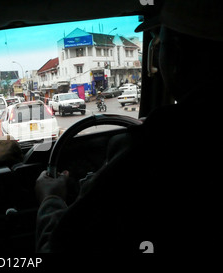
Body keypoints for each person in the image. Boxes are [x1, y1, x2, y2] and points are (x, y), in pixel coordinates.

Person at [35, 0, 223, 254]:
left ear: (174, 55)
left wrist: (51, 198)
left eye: (158, 45)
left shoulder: (153, 150)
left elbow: (57, 250)